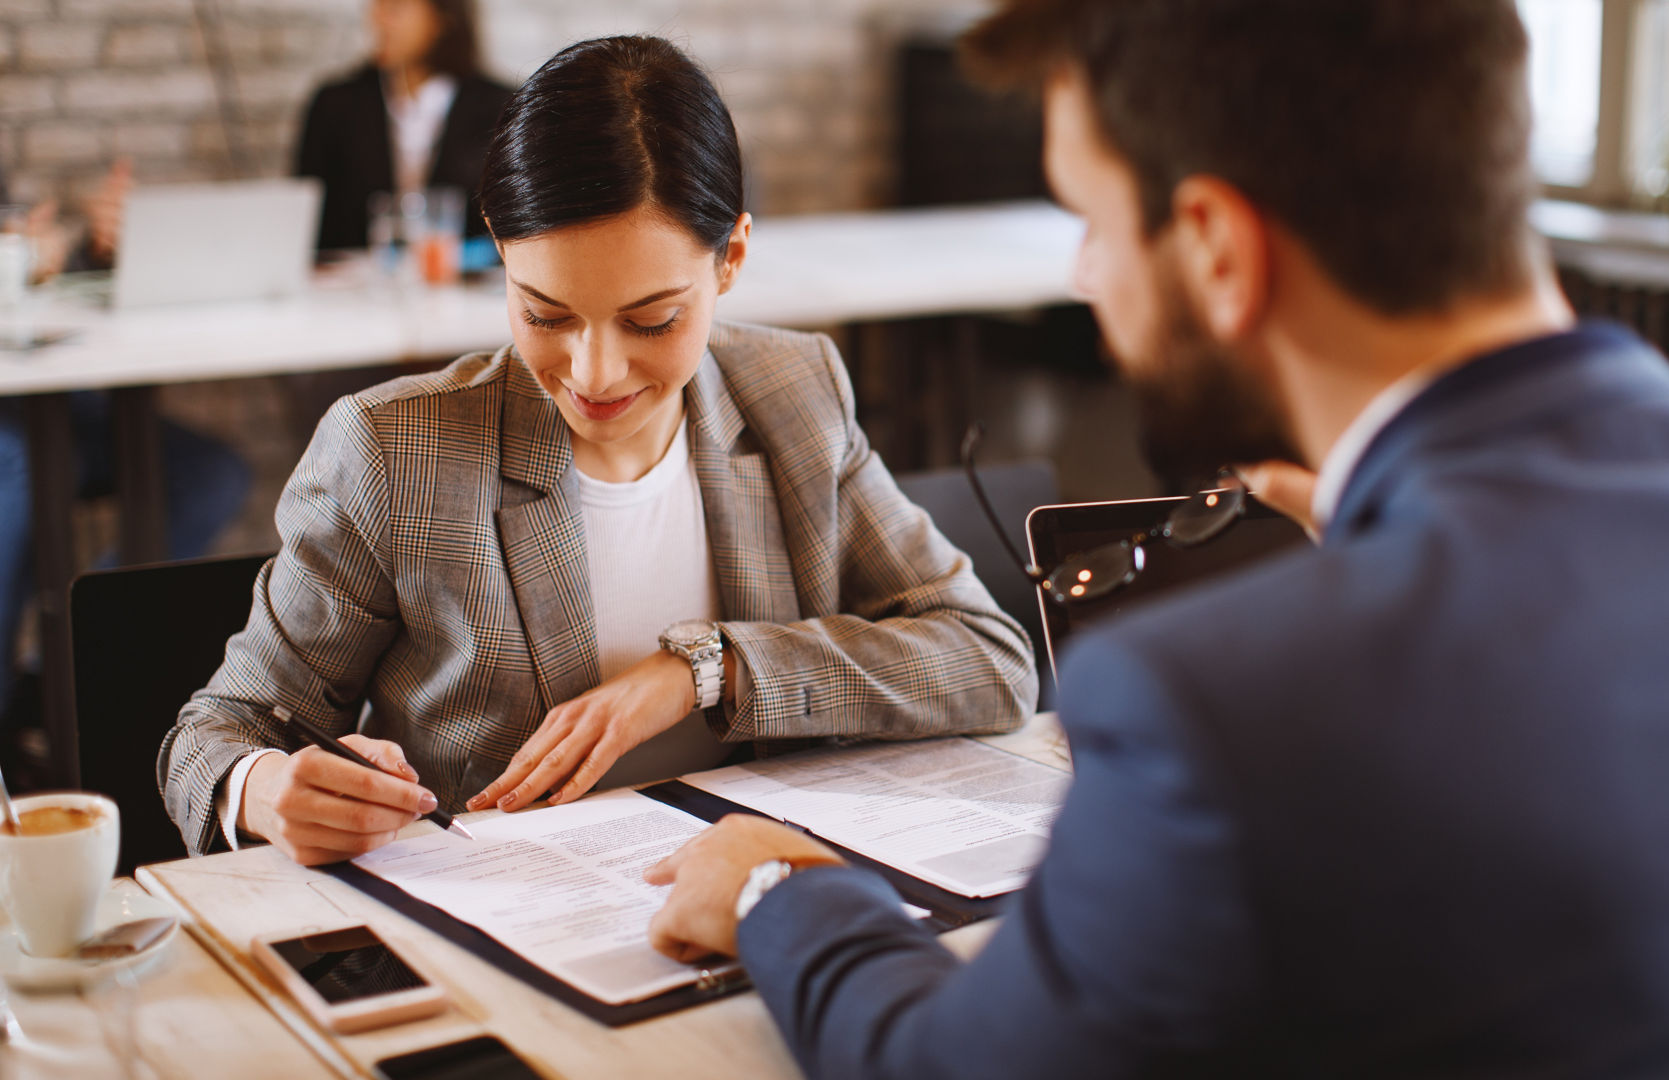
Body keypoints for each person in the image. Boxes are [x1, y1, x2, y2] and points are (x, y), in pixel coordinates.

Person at [643, 2, 1669, 1076]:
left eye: (1093, 223)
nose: (1090, 278)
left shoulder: (1217, 705)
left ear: (1213, 248)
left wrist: (780, 893)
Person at [159, 35, 1039, 867]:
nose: (593, 372)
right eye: (544, 314)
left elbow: (991, 659)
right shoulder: (396, 452)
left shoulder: (794, 392)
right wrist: (264, 790)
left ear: (729, 257)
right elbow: (215, 735)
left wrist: (711, 669)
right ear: (501, 253)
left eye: (651, 319)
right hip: (504, 937)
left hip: (755, 912)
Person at [0, 163, 250, 741]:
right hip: (15, 421)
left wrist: (86, 246)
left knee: (209, 471)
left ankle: (74, 669)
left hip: (51, 397)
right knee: (22, 464)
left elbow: (27, 273)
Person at [294, 0, 512, 252]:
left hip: (464, 285)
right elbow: (306, 219)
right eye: (376, 6)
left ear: (442, 18)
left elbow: (514, 224)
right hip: (355, 285)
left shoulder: (501, 107)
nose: (378, 19)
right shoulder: (334, 105)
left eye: (395, 7)